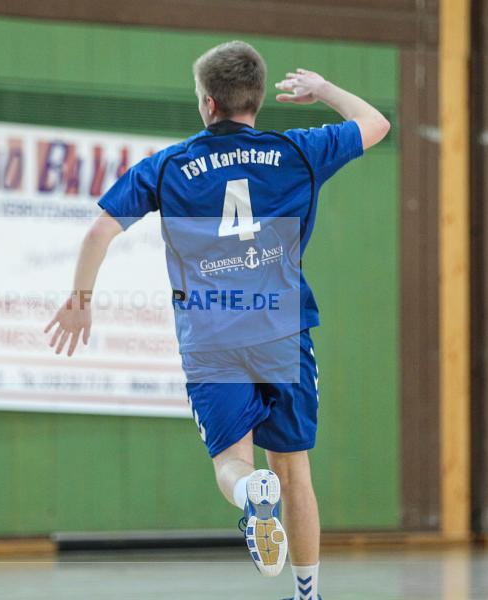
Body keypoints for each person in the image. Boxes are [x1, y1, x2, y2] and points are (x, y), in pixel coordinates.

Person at [45, 41, 389, 600]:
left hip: (211, 333)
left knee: (234, 463)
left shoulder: (171, 166)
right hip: (282, 329)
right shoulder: (298, 151)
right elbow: (375, 123)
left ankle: (252, 491)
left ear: (207, 103)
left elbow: (98, 232)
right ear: (256, 100)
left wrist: (81, 298)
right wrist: (322, 89)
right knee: (295, 467)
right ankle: (308, 593)